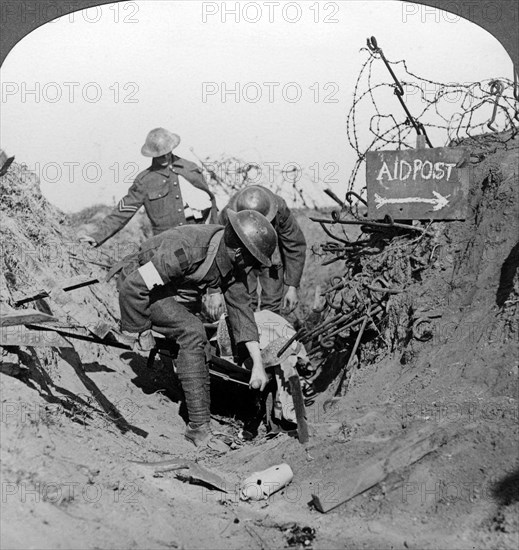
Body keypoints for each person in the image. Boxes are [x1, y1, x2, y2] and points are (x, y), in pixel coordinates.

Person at [116, 210, 277, 446]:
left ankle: (198, 411)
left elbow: (242, 314)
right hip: (140, 290)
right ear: (241, 253)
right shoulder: (185, 250)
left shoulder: (231, 262)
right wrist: (138, 330)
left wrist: (258, 366)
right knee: (192, 332)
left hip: (168, 288)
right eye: (254, 261)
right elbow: (133, 287)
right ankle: (199, 428)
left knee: (198, 340)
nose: (253, 268)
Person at [80, 128, 217, 247]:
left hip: (200, 238)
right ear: (151, 154)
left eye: (166, 153)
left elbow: (211, 202)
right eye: (159, 155)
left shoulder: (190, 168)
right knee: (144, 275)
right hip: (166, 245)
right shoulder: (145, 181)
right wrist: (97, 236)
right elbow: (123, 212)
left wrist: (215, 231)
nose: (164, 157)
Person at [211, 185, 306, 318]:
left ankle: (269, 335)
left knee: (272, 305)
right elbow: (214, 250)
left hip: (271, 256)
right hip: (242, 257)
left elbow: (295, 245)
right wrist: (214, 291)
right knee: (245, 303)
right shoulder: (227, 215)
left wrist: (292, 287)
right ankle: (247, 335)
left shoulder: (280, 210)